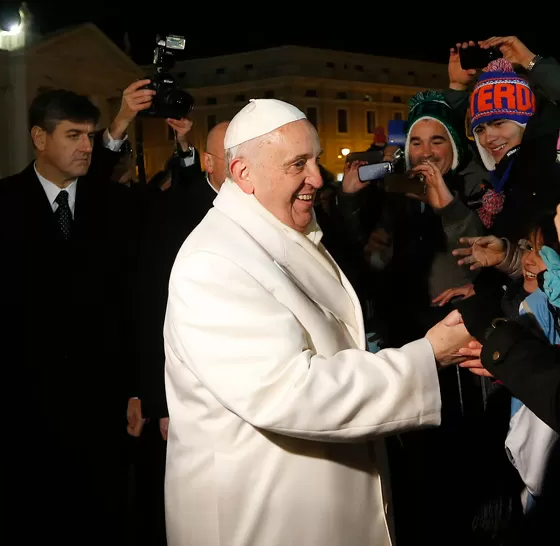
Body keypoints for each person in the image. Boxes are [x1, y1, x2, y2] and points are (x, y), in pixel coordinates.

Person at [163, 99, 473, 545]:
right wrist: (427, 356)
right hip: (261, 517)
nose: (318, 177)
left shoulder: (279, 228)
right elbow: (291, 392)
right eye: (298, 164)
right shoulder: (213, 261)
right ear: (244, 174)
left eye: (316, 159)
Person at [0, 81, 152, 542]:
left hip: (104, 410)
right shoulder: (0, 205)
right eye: (73, 136)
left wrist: (137, 389)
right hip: (26, 413)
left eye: (90, 136)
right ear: (39, 138)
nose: (86, 147)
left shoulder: (115, 206)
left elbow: (134, 305)